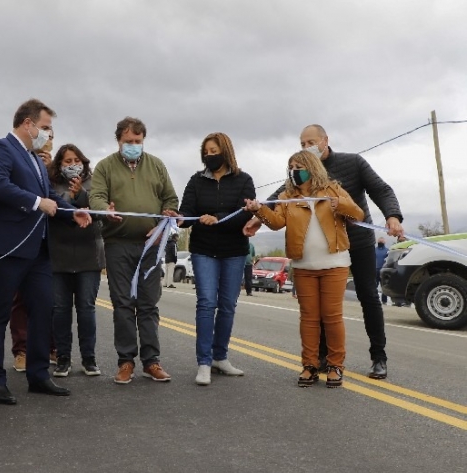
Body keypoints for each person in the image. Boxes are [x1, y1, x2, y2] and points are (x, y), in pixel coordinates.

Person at [244, 124, 403, 379]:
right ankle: (319, 357)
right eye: (302, 143)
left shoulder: (353, 163)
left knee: (367, 297)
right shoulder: (299, 173)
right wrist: (258, 216)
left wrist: (392, 216)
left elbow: (381, 189)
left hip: (356, 240)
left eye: (311, 142)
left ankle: (378, 357)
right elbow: (279, 199)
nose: (307, 147)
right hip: (316, 248)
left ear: (325, 141)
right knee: (315, 308)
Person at [0, 99, 91, 405]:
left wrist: (73, 212)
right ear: (27, 124)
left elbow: (50, 197)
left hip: (39, 250)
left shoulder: (34, 158)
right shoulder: (1, 148)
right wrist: (34, 203)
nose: (47, 134)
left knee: (44, 310)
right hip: (9, 247)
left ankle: (39, 375)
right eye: (44, 127)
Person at [245, 150, 364, 388]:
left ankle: (335, 366)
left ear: (312, 167)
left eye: (299, 165)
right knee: (309, 318)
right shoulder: (286, 196)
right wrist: (259, 209)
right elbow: (277, 223)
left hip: (335, 264)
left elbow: (357, 214)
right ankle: (309, 365)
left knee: (331, 317)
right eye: (291, 166)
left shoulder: (333, 190)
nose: (294, 170)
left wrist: (340, 205)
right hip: (303, 265)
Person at [89, 117, 179, 384]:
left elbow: (171, 198)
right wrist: (106, 210)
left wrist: (166, 217)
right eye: (128, 141)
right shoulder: (105, 166)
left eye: (137, 142)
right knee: (123, 304)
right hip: (117, 245)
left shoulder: (157, 165)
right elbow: (96, 196)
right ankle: (125, 361)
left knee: (148, 304)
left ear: (143, 141)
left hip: (151, 246)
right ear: (119, 140)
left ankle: (151, 361)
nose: (133, 146)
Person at [178, 132, 255, 386]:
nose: (210, 155)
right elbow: (187, 210)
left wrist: (217, 217)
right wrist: (180, 218)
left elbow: (244, 213)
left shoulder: (244, 180)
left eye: (214, 151)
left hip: (234, 251)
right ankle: (204, 362)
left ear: (226, 151)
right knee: (206, 303)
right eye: (206, 152)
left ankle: (220, 357)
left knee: (227, 305)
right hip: (203, 250)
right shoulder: (196, 181)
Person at [48, 143, 105, 377]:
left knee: (86, 308)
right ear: (59, 165)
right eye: (67, 161)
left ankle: (89, 359)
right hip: (58, 256)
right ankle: (63, 358)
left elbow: (100, 211)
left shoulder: (94, 183)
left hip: (88, 255)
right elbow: (51, 211)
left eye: (76, 160)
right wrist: (70, 199)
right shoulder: (51, 185)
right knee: (60, 310)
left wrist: (81, 194)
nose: (72, 165)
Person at [9, 135, 58, 373]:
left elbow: (58, 199)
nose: (46, 136)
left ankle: (46, 353)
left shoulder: (52, 168)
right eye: (44, 128)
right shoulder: (15, 156)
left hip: (46, 243)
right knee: (19, 300)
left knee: (45, 302)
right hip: (20, 239)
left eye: (50, 132)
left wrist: (50, 170)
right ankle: (22, 350)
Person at [375, 237, 389, 305]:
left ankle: (384, 301)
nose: (380, 242)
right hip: (375, 270)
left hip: (383, 271)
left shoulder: (387, 251)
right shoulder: (374, 250)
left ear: (384, 242)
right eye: (379, 241)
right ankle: (374, 300)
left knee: (384, 286)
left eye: (382, 241)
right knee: (374, 286)